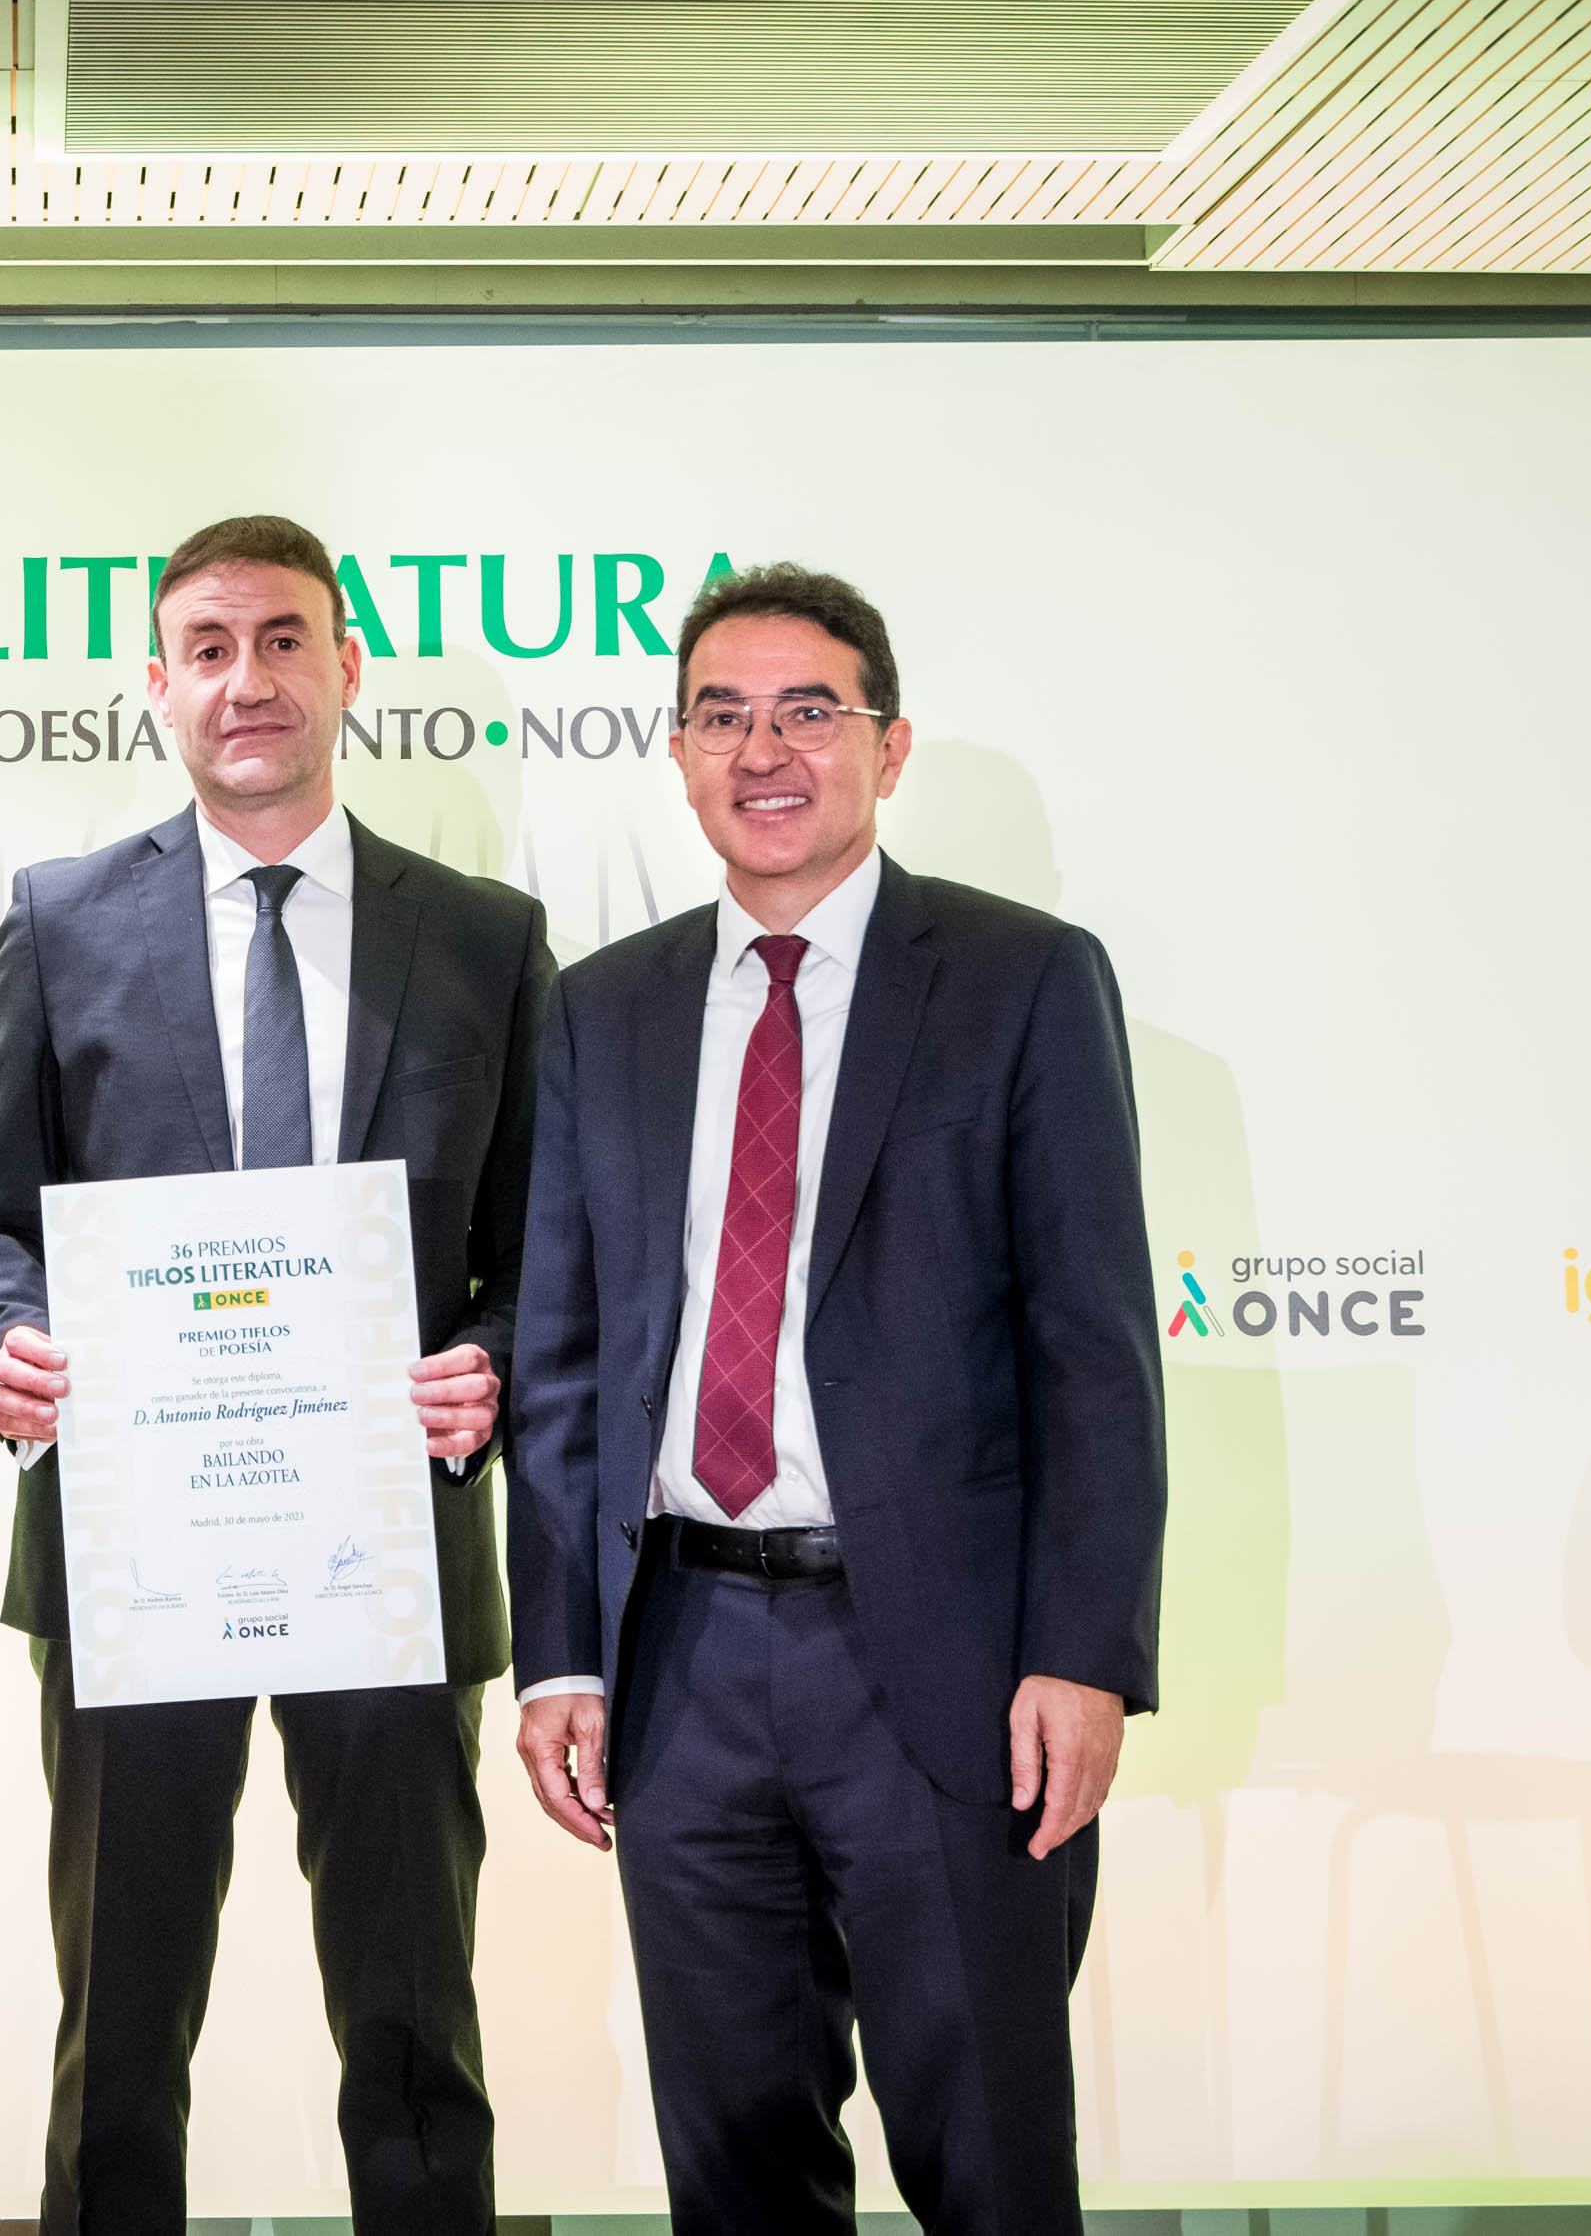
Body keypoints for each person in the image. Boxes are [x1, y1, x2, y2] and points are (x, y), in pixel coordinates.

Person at [505, 563, 1165, 2234]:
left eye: (812, 709)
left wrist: (1083, 1651)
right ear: (676, 753)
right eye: (722, 713)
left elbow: (1095, 1348)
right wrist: (563, 1649)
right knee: (733, 2166)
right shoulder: (604, 1008)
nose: (766, 747)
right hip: (684, 1665)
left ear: (893, 745)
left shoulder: (1021, 981)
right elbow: (570, 1356)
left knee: (989, 2159)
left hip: (939, 1666)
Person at [0, 514, 553, 2233]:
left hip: (392, 1549)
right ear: (158, 686)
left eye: (282, 639)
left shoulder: (488, 938)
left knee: (417, 2020)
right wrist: (12, 1347)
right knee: (120, 2027)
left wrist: (488, 1364)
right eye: (207, 647)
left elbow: (537, 1248)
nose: (247, 679)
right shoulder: (61, 923)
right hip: (142, 1554)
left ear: (348, 666)